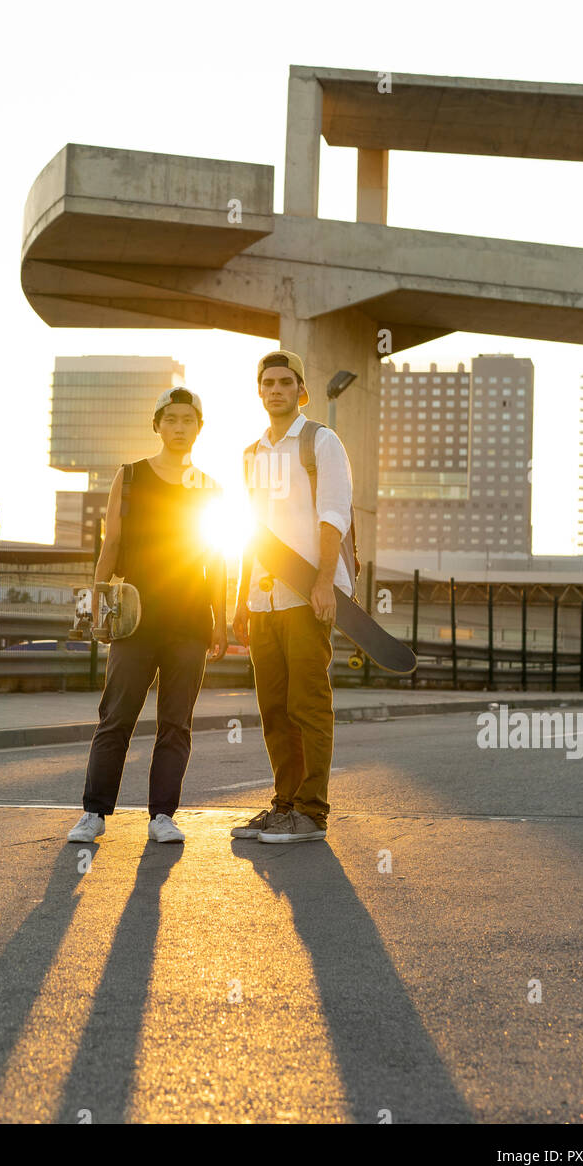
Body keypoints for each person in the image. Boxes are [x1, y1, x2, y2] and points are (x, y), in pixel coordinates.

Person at [67, 387, 227, 846]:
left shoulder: (210, 487)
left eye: (188, 420)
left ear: (199, 428)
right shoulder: (131, 476)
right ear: (157, 425)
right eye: (171, 419)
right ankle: (94, 813)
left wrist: (220, 617)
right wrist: (95, 606)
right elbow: (111, 545)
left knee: (176, 723)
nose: (180, 428)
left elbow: (217, 559)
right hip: (133, 618)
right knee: (116, 717)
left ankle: (162, 816)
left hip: (190, 619)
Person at [231, 350, 355, 844]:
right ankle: (284, 804)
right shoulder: (251, 454)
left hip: (306, 597)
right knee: (274, 709)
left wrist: (324, 582)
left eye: (285, 382)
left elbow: (333, 514)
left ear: (300, 390)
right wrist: (241, 597)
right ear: (259, 392)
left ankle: (312, 810)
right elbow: (249, 533)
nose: (276, 389)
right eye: (268, 382)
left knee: (308, 703)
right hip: (263, 602)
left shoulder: (320, 441)